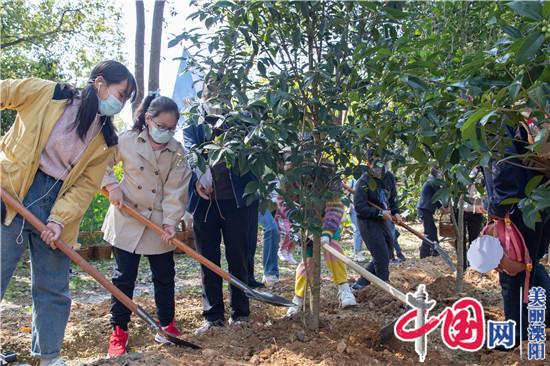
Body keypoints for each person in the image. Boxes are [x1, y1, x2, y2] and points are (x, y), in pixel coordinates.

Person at [0, 60, 136, 366]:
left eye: (126, 99)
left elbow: (85, 187)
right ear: (99, 82)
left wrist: (59, 220)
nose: (121, 102)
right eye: (121, 93)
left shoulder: (104, 141)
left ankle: (49, 356)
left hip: (57, 206)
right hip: (13, 192)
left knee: (52, 285)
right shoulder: (46, 94)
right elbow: (5, 91)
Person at [102, 94, 191, 356]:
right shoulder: (127, 140)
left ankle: (166, 326)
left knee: (164, 278)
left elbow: (176, 191)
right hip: (126, 216)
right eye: (161, 126)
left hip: (158, 223)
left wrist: (171, 223)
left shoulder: (177, 152)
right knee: (123, 279)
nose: (166, 133)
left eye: (171, 129)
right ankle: (119, 330)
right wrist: (111, 185)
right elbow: (101, 162)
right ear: (149, 119)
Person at [183, 82, 259, 334]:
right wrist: (199, 175)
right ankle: (213, 314)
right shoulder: (194, 122)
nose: (216, 99)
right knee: (208, 259)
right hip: (205, 205)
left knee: (239, 256)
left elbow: (255, 155)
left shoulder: (242, 122)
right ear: (203, 96)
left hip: (237, 204)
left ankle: (241, 312)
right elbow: (189, 150)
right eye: (211, 93)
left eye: (222, 93)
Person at [483, 119, 550, 349]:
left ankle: (514, 336)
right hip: (540, 202)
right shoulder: (522, 116)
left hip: (518, 206)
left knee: (511, 270)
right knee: (530, 264)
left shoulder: (493, 120)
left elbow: (503, 164)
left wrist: (499, 210)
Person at [351, 152, 403, 291]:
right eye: (373, 161)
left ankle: (361, 283)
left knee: (386, 252)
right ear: (368, 163)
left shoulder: (389, 177)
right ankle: (384, 287)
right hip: (368, 222)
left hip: (384, 220)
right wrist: (379, 213)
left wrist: (396, 212)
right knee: (381, 255)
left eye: (380, 161)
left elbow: (392, 199)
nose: (377, 165)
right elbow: (360, 207)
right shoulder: (363, 182)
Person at [416, 167, 445, 258]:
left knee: (432, 230)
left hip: (425, 209)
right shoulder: (434, 182)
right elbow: (439, 195)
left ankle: (436, 250)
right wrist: (444, 206)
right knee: (429, 232)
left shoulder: (431, 180)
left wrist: (441, 207)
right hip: (424, 209)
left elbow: (435, 198)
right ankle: (424, 254)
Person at [347, 178, 366, 262]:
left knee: (360, 231)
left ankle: (357, 252)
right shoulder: (352, 181)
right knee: (358, 230)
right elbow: (346, 193)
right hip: (354, 208)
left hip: (362, 208)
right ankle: (357, 253)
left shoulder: (366, 181)